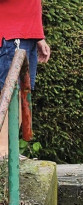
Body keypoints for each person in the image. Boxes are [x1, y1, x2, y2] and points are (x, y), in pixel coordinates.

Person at [0, 0, 51, 157]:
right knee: (7, 95)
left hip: (27, 35)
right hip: (11, 33)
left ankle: (8, 151)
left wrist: (38, 36)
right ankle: (2, 152)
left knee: (22, 95)